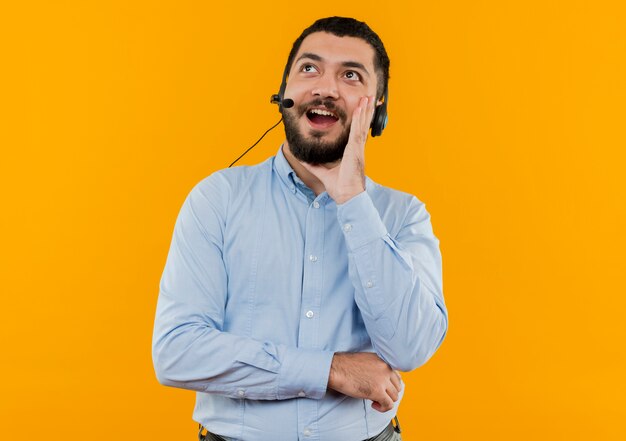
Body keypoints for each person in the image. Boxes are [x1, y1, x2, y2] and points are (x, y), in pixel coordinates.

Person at [152, 16, 448, 441]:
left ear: (377, 105)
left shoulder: (403, 215)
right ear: (284, 93)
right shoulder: (217, 199)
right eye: (309, 68)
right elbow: (177, 352)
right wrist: (331, 370)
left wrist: (352, 200)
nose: (325, 88)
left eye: (350, 75)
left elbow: (409, 347)